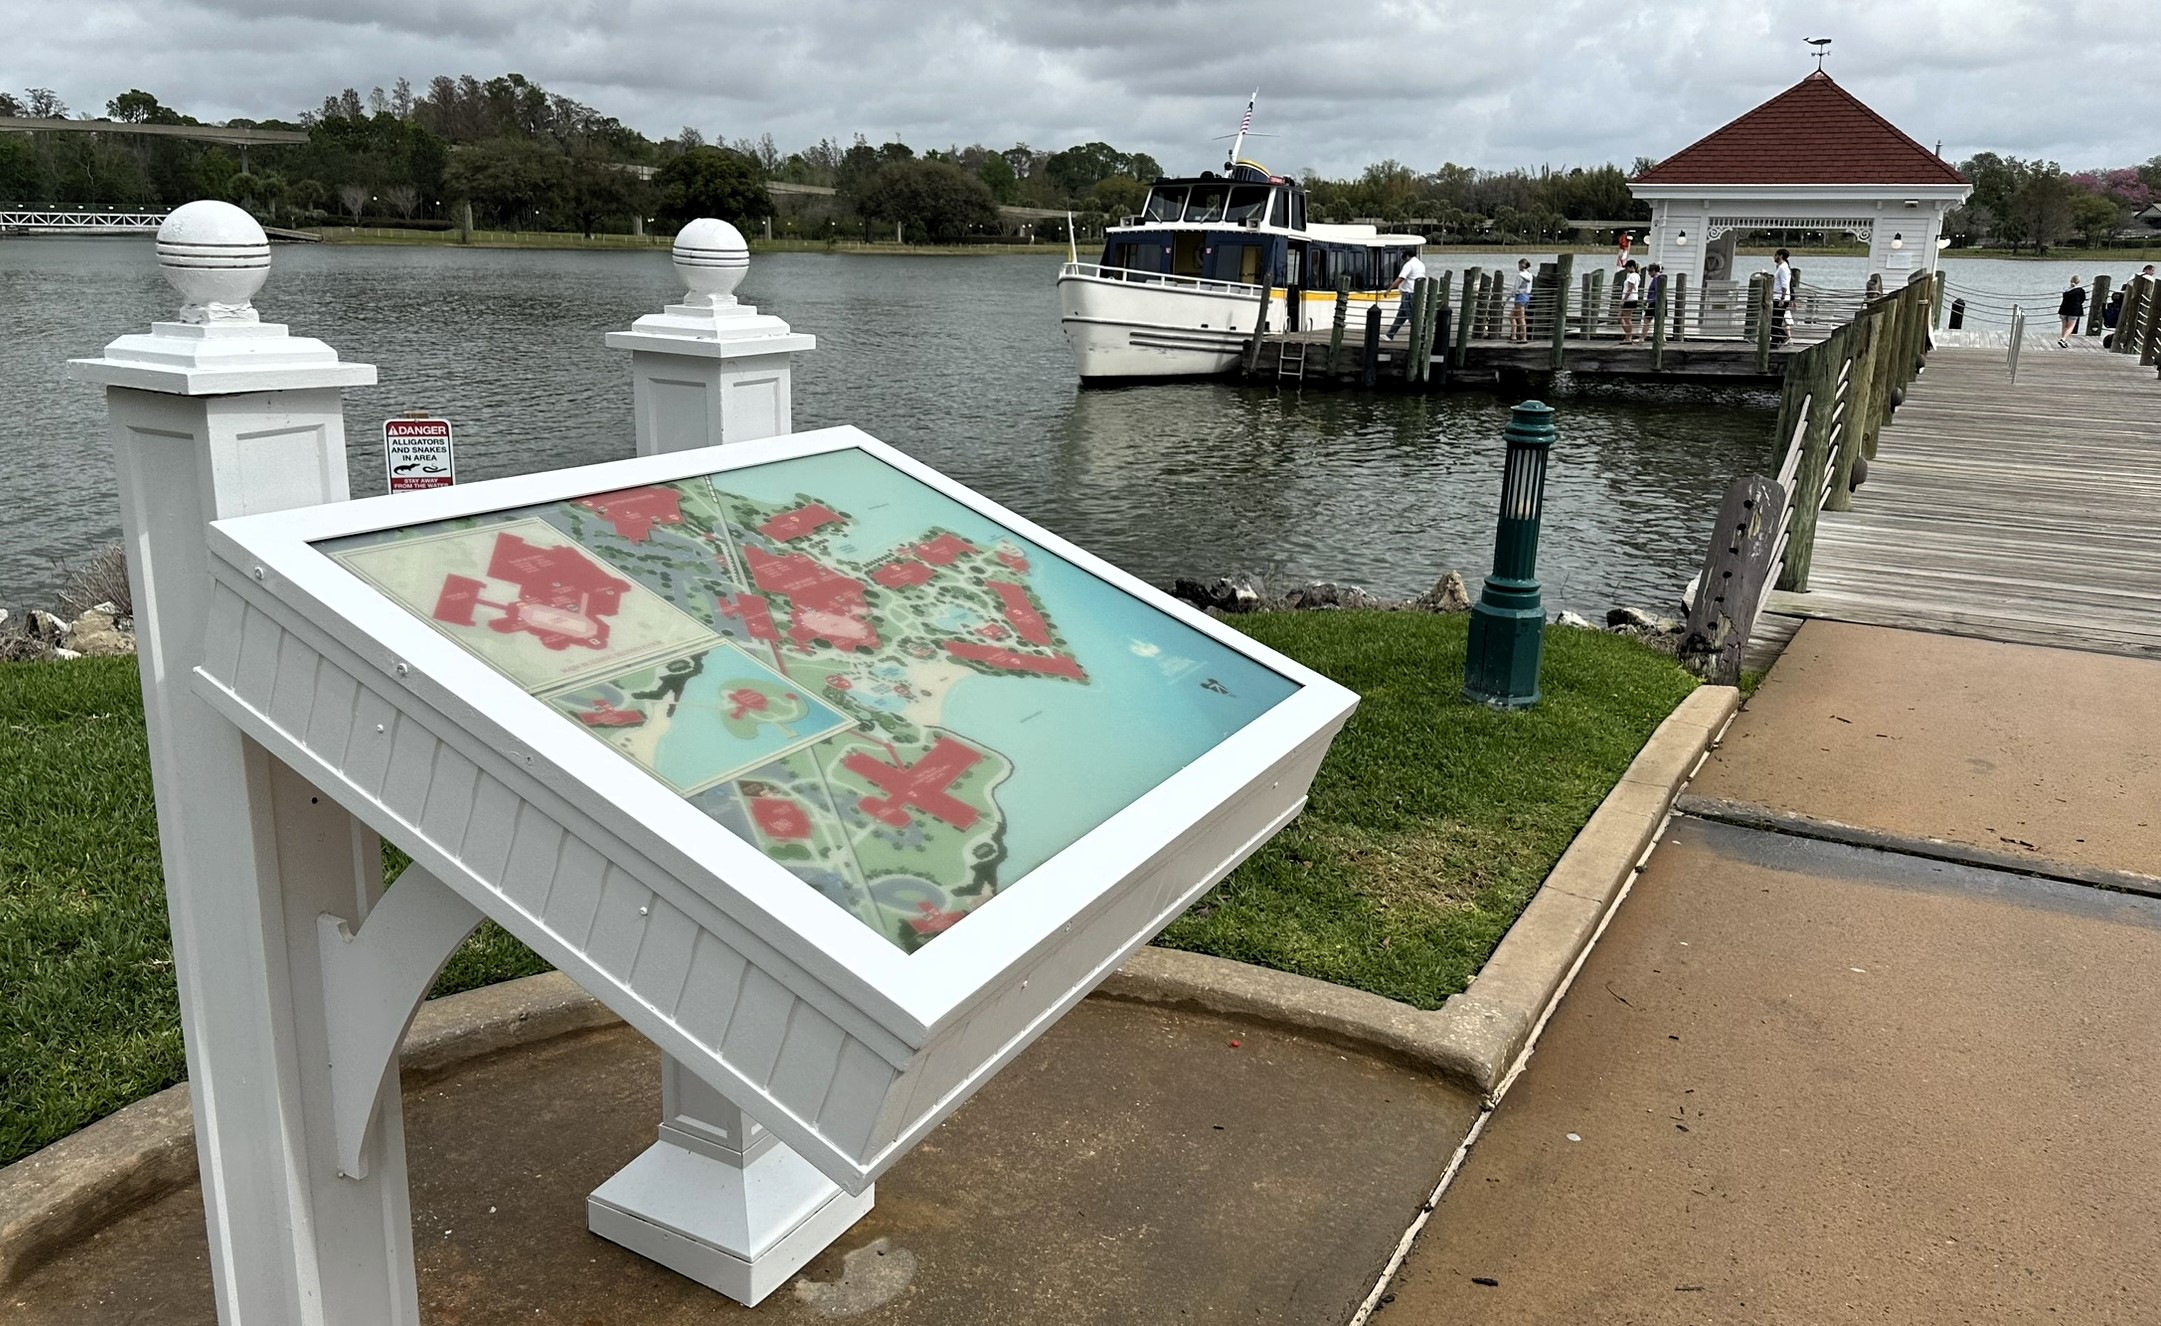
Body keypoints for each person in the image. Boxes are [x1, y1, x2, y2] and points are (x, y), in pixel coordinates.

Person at [1385, 249, 1427, 338]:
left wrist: (1389, 289)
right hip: (1417, 292)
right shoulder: (1421, 264)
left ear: (1407, 256)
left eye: (1404, 258)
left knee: (1412, 316)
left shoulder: (1409, 265)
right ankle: (1390, 335)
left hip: (1408, 293)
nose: (1404, 260)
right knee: (1401, 315)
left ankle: (1420, 336)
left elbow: (1401, 278)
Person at [1771, 248, 1793, 346]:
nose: (1774, 257)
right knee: (1775, 320)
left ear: (1780, 256)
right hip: (1778, 296)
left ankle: (1781, 338)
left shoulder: (1783, 268)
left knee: (1775, 321)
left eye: (1776, 255)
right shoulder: (1781, 267)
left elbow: (1784, 284)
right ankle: (1777, 339)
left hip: (1780, 298)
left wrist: (1782, 298)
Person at [1618, 259, 1643, 343]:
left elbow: (1630, 289)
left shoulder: (1632, 276)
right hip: (1632, 299)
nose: (1626, 269)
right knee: (1620, 317)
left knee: (1627, 319)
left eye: (1627, 267)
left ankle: (1629, 337)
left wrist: (1623, 300)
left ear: (1631, 267)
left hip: (1629, 299)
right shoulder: (1637, 275)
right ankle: (1628, 335)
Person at [2057, 276, 2087, 347]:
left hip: (2063, 309)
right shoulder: (2080, 290)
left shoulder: (2065, 290)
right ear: (2078, 282)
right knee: (2070, 327)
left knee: (2064, 326)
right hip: (2074, 310)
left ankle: (2064, 340)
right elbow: (2082, 299)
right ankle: (2063, 339)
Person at [1509, 258, 1534, 342]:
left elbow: (1515, 288)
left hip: (1520, 296)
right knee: (1512, 316)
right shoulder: (1530, 275)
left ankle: (1523, 337)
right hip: (1526, 297)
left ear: (1522, 265)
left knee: (1521, 318)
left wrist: (1508, 298)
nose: (1518, 266)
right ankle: (1514, 336)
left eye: (1519, 264)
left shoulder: (1520, 275)